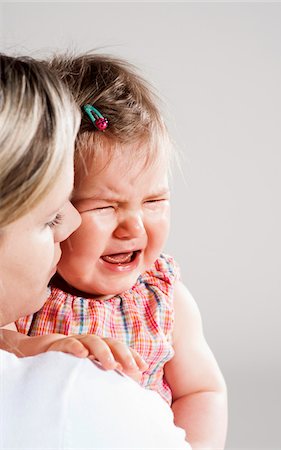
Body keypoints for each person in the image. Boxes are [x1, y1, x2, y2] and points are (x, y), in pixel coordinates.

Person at [14, 53, 228, 449]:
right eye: (105, 207)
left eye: (153, 201)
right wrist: (35, 347)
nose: (134, 226)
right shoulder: (28, 289)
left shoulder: (164, 298)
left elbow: (202, 391)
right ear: (52, 207)